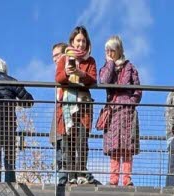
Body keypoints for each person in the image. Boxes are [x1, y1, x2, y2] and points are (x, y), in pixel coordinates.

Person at [54, 26, 98, 185]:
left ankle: (81, 173)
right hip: (67, 106)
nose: (80, 44)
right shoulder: (64, 58)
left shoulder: (90, 60)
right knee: (68, 141)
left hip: (83, 106)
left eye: (83, 41)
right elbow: (58, 78)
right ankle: (71, 174)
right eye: (78, 40)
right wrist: (67, 72)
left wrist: (81, 74)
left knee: (82, 141)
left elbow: (93, 79)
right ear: (72, 41)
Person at [0, 58, 34, 183]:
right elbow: (29, 101)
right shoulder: (12, 81)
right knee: (9, 153)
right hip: (8, 121)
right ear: (5, 69)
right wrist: (17, 102)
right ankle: (10, 181)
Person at [98, 35, 141, 186]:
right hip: (113, 111)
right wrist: (110, 63)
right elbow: (103, 81)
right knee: (114, 146)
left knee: (127, 147)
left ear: (119, 50)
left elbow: (138, 89)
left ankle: (127, 179)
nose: (109, 52)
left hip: (127, 112)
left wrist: (131, 103)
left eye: (112, 49)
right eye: (107, 49)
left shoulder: (130, 67)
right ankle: (113, 179)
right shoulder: (105, 67)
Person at [48, 41, 67, 169]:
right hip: (59, 115)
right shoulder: (58, 72)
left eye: (57, 55)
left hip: (66, 114)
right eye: (53, 57)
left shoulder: (67, 68)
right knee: (59, 151)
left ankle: (64, 177)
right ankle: (61, 177)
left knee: (65, 149)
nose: (55, 59)